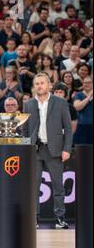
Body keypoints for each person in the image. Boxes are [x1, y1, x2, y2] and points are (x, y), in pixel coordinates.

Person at [23, 73, 73, 229]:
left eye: (42, 83)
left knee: (58, 186)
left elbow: (68, 129)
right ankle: (34, 218)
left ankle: (60, 218)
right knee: (33, 186)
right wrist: (26, 147)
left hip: (55, 149)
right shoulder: (29, 104)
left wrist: (67, 149)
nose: (39, 86)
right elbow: (25, 129)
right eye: (36, 83)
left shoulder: (60, 103)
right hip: (35, 149)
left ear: (49, 85)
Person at [73, 76, 93, 144]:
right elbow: (77, 107)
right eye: (84, 83)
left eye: (89, 82)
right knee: (81, 151)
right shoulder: (79, 95)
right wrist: (89, 96)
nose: (86, 84)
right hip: (81, 126)